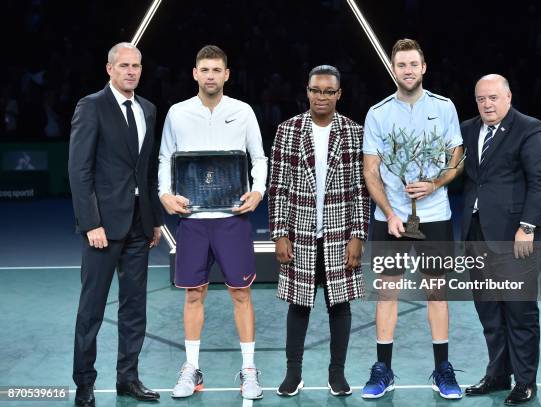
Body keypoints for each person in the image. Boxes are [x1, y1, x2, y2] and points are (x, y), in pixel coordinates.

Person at [158, 45, 267, 400]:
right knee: (194, 294)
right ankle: (191, 368)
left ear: (226, 74)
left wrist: (259, 190)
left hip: (231, 219)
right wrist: (164, 194)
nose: (210, 75)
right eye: (204, 69)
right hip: (193, 219)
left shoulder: (243, 111)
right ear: (195, 73)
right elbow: (165, 158)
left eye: (216, 70)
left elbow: (258, 157)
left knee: (241, 293)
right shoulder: (177, 113)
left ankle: (249, 370)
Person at [361, 38, 465, 400]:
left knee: (436, 291)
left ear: (424, 68)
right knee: (386, 292)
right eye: (401, 65)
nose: (407, 70)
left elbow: (458, 155)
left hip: (434, 215)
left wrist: (435, 183)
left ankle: (442, 370)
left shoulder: (444, 107)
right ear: (394, 69)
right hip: (390, 219)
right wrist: (389, 213)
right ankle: (383, 370)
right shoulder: (377, 113)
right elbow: (370, 170)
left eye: (413, 64)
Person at [68, 42, 163, 406]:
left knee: (134, 307)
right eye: (124, 65)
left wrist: (154, 219)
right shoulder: (91, 106)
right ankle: (85, 384)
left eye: (136, 65)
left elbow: (146, 169)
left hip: (140, 226)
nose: (131, 71)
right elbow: (79, 170)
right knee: (91, 310)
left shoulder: (148, 109)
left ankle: (128, 378)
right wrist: (91, 222)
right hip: (102, 229)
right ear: (109, 69)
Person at [268, 65, 369, 397]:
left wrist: (358, 235)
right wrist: (280, 233)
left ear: (338, 94)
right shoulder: (288, 130)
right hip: (299, 233)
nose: (321, 96)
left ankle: (336, 374)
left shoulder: (354, 132)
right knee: (299, 305)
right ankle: (293, 374)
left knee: (340, 306)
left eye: (328, 91)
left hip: (341, 234)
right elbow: (278, 187)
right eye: (315, 90)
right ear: (307, 91)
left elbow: (360, 189)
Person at [461, 74, 541, 405]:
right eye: (481, 99)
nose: (487, 104)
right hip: (477, 234)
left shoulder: (530, 128)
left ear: (508, 97)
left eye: (493, 98)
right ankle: (498, 374)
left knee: (519, 311)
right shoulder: (468, 129)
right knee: (488, 311)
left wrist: (527, 227)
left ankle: (526, 381)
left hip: (517, 237)